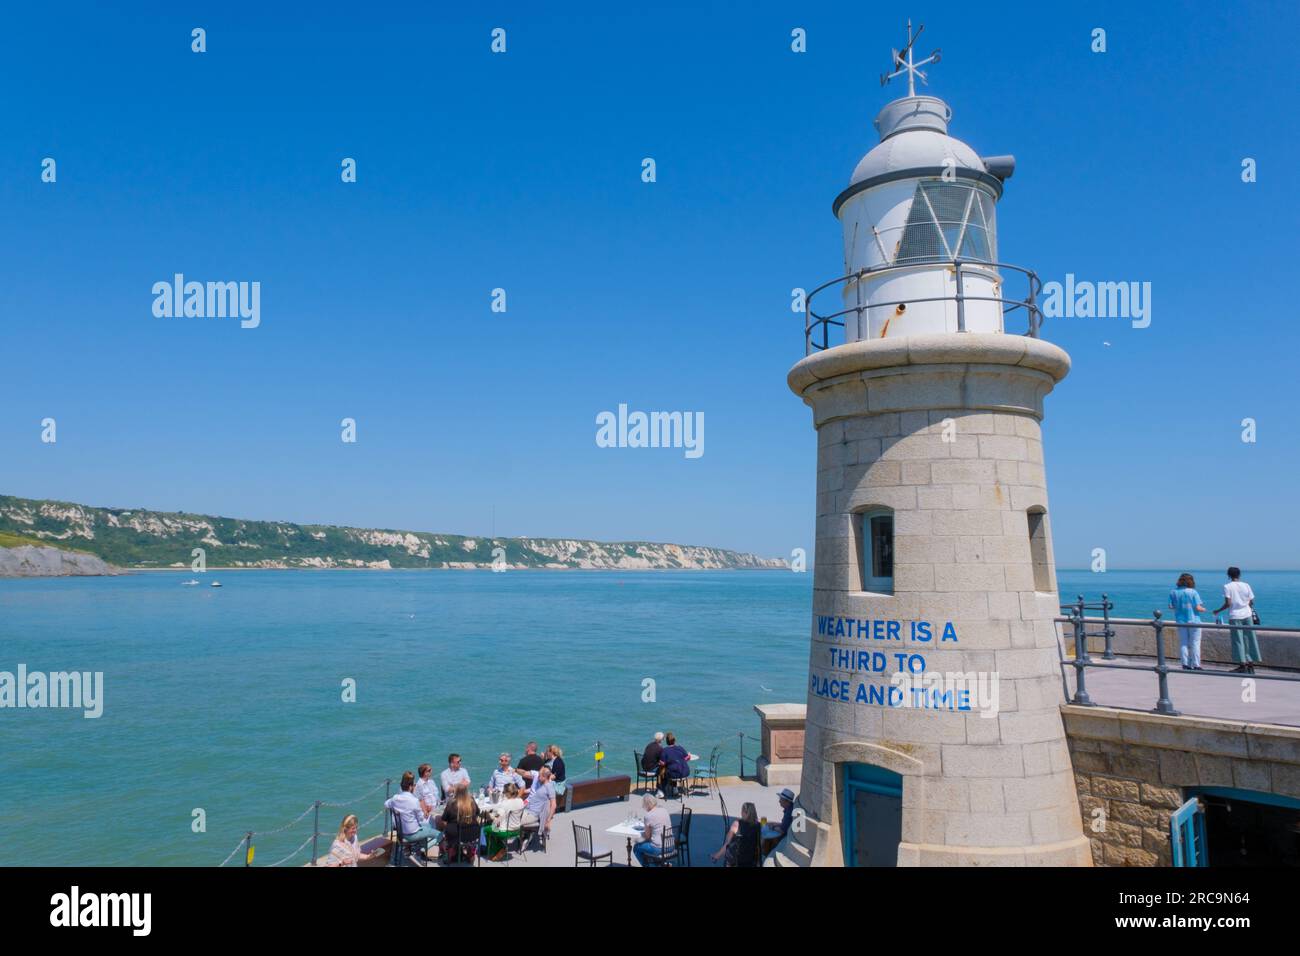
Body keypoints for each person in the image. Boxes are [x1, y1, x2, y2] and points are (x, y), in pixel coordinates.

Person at [1212, 567, 1261, 673]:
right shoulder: (1246, 585)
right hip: (1247, 615)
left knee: (1238, 641)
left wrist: (1218, 610)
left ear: (1229, 575)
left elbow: (1228, 603)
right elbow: (1251, 601)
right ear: (1239, 575)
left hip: (1235, 616)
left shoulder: (1227, 586)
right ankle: (1251, 664)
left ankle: (1242, 665)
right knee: (1249, 639)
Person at [385, 771, 439, 859]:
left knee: (425, 827)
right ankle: (420, 849)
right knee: (439, 834)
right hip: (412, 834)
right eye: (413, 784)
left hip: (401, 833)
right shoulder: (414, 801)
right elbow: (421, 818)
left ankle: (417, 849)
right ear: (410, 787)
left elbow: (386, 804)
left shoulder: (395, 798)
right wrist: (425, 813)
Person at [1168, 573, 1207, 671]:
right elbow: (1198, 607)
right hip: (1194, 620)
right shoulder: (1193, 592)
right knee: (1195, 643)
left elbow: (1171, 606)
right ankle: (1196, 665)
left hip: (1180, 621)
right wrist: (1203, 609)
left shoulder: (1173, 592)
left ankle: (1185, 664)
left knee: (1183, 643)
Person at [438, 782, 481, 864]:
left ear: (455, 792)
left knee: (444, 826)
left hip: (457, 834)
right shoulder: (472, 801)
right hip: (473, 833)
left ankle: (451, 851)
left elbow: (444, 818)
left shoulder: (452, 803)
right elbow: (478, 812)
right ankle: (469, 851)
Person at [485, 783, 526, 861]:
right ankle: (500, 848)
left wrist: (488, 815)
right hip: (517, 829)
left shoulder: (505, 803)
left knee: (486, 829)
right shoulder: (521, 801)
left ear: (507, 793)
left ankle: (500, 849)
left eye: (503, 792)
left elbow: (496, 819)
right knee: (493, 827)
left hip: (506, 831)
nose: (503, 794)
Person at [712, 801, 761, 867]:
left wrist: (717, 856)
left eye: (742, 811)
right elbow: (760, 844)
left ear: (744, 812)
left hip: (736, 860)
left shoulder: (737, 824)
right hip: (751, 860)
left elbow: (727, 844)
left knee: (730, 851)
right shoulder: (758, 825)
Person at [632, 794, 674, 867]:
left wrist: (637, 839)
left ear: (646, 804)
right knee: (650, 844)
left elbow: (647, 837)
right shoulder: (664, 810)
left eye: (643, 805)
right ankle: (659, 864)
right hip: (670, 845)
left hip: (659, 848)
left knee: (636, 847)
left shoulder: (648, 816)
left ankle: (650, 866)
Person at [521, 766, 557, 844]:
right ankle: (526, 835)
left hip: (533, 814)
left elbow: (553, 805)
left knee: (512, 819)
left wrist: (548, 821)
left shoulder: (549, 787)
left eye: (539, 776)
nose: (537, 777)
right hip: (528, 810)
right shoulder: (542, 785)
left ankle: (526, 836)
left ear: (544, 777)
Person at [658, 732, 690, 798]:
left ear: (666, 742)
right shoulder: (680, 748)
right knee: (674, 767)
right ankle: (674, 788)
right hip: (685, 772)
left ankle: (662, 790)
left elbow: (663, 763)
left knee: (662, 772)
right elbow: (687, 757)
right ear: (674, 741)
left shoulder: (665, 750)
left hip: (674, 774)